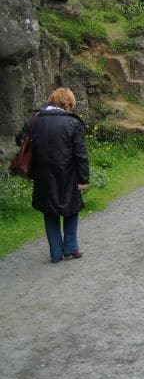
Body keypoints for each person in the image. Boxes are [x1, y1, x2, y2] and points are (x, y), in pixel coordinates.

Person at [21, 88, 90, 263]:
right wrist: (83, 179)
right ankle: (71, 248)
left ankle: (56, 253)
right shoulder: (73, 123)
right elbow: (80, 154)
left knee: (49, 210)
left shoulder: (35, 121)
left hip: (42, 174)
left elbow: (19, 140)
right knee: (72, 209)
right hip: (68, 173)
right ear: (67, 103)